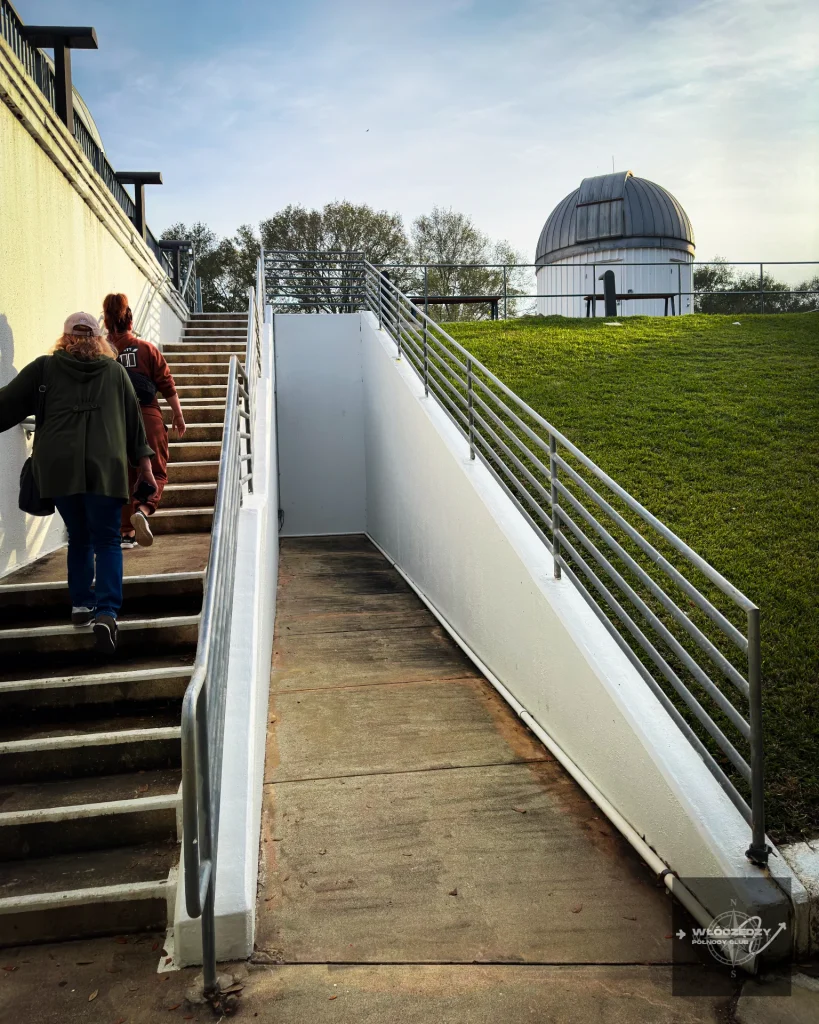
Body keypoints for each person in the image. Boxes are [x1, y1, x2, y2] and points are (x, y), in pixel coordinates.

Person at [0, 312, 156, 653]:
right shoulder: (115, 372)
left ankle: (81, 606)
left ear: (66, 336)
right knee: (107, 540)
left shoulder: (45, 368)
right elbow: (134, 425)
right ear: (98, 338)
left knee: (80, 537)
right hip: (106, 469)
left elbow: (5, 405)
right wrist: (145, 468)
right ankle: (107, 612)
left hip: (59, 470)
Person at [102, 293, 186, 548]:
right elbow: (166, 383)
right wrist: (178, 414)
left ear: (106, 322)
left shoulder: (102, 354)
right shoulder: (147, 349)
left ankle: (126, 533)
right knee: (155, 472)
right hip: (147, 415)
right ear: (130, 320)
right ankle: (143, 510)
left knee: (125, 476)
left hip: (114, 422)